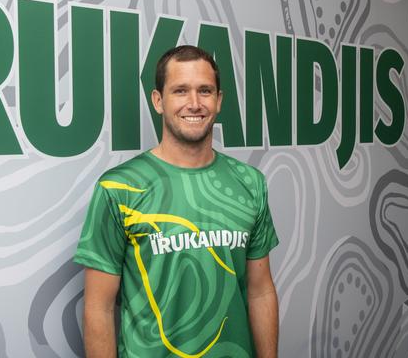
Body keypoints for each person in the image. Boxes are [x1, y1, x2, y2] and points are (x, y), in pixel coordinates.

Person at [74, 45, 279, 358]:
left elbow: (260, 291)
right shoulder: (120, 188)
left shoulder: (250, 183)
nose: (194, 103)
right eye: (180, 91)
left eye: (205, 91)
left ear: (219, 100)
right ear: (159, 101)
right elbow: (98, 308)